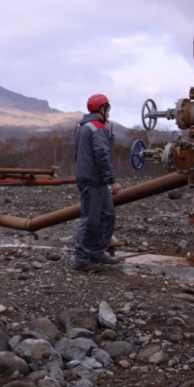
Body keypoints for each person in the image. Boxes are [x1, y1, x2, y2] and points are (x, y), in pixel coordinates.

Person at [73, 93, 122, 272]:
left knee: (108, 215)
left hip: (91, 179)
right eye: (107, 108)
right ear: (102, 109)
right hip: (94, 180)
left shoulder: (82, 126)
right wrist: (112, 181)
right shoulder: (97, 128)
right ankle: (82, 260)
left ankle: (97, 252)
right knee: (91, 220)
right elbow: (103, 155)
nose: (108, 112)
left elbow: (77, 154)